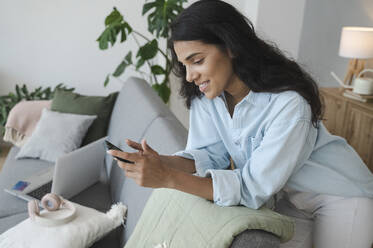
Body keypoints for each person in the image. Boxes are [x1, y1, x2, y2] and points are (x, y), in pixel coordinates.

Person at [107, 0, 373, 247]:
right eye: (184, 65)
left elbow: (251, 188)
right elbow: (210, 155)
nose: (189, 76)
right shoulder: (208, 96)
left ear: (231, 47)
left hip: (340, 195)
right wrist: (161, 162)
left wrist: (167, 178)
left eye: (197, 61)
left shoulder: (288, 103)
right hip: (287, 196)